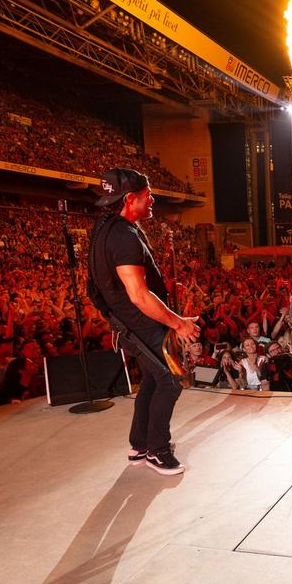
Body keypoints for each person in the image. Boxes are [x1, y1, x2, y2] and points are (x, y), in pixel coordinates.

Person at [87, 168, 199, 475]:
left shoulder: (105, 227)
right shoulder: (123, 237)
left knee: (152, 379)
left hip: (128, 323)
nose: (153, 200)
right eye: (148, 195)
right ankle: (157, 451)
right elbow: (138, 295)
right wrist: (178, 324)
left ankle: (140, 445)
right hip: (141, 325)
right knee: (170, 380)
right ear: (130, 198)